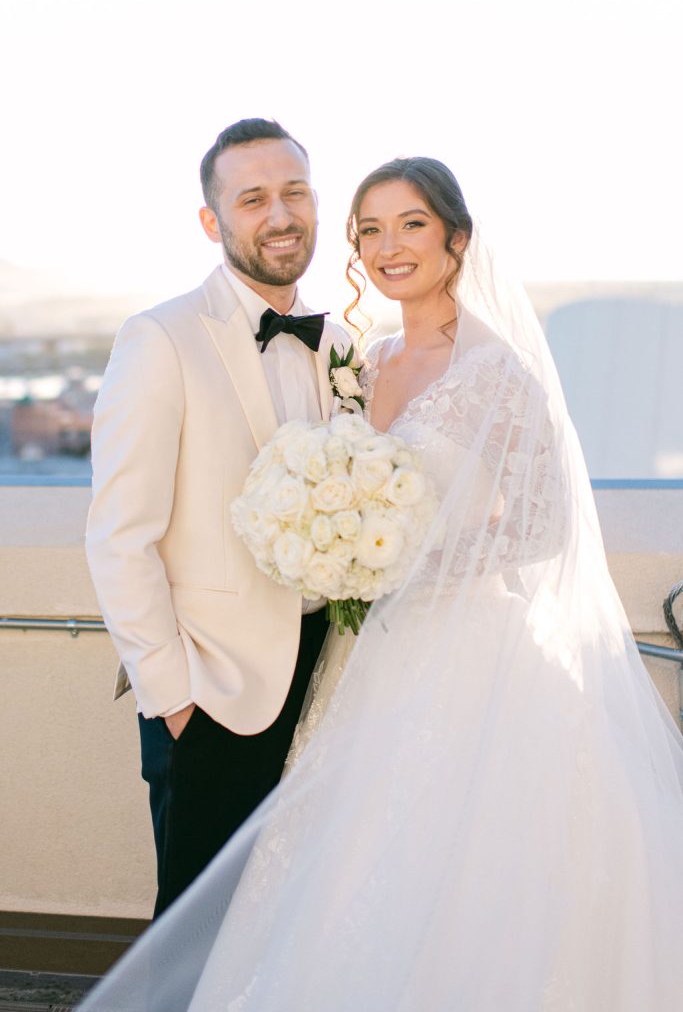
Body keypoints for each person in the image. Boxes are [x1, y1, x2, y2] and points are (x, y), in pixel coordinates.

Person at [79, 158, 683, 1011]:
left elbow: (544, 523)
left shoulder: (497, 370)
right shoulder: (361, 357)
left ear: (455, 238)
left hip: (469, 655)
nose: (387, 245)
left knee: (457, 872)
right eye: (370, 228)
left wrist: (408, 565)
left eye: (410, 225)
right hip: (355, 659)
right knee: (334, 871)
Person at [85, 118, 352, 917]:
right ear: (214, 221)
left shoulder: (339, 343)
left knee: (290, 917)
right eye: (253, 198)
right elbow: (119, 533)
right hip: (212, 694)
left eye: (294, 192)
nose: (280, 215)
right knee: (197, 930)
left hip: (326, 678)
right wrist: (172, 698)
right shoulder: (160, 338)